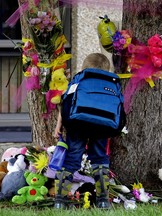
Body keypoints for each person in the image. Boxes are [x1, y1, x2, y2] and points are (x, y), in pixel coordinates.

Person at [53, 53, 111, 209]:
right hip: (101, 127)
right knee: (99, 159)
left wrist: (59, 125)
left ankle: (60, 200)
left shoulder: (78, 80)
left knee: (72, 159)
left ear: (84, 67)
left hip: (77, 126)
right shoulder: (109, 83)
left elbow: (65, 103)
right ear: (107, 69)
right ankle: (103, 200)